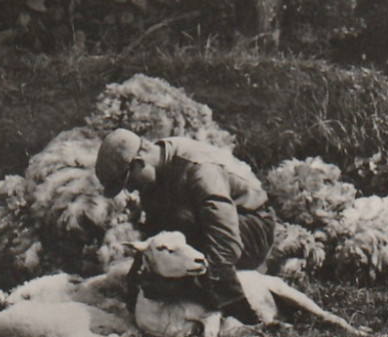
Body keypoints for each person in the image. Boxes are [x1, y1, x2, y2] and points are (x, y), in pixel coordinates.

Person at [95, 130, 275, 323]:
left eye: (128, 182)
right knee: (172, 242)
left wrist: (231, 299)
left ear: (139, 163)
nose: (130, 190)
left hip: (252, 227)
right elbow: (156, 233)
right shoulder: (156, 171)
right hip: (212, 223)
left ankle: (234, 305)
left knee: (184, 231)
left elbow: (225, 237)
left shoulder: (200, 169)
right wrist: (136, 282)